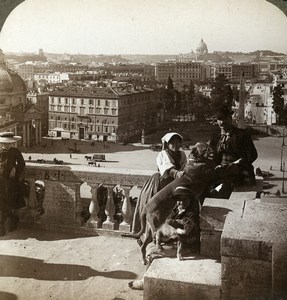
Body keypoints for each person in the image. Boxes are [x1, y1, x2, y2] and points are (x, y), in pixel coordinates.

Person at [132, 132, 187, 233]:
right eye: (173, 143)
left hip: (175, 183)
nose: (176, 145)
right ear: (167, 144)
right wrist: (176, 173)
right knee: (155, 208)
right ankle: (149, 233)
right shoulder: (163, 154)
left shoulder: (182, 154)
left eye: (178, 143)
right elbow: (167, 168)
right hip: (161, 183)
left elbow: (184, 166)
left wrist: (183, 173)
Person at [209, 105, 258, 198]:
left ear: (230, 119)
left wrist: (237, 163)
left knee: (225, 188)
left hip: (240, 171)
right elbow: (212, 156)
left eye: (224, 119)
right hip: (221, 171)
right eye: (219, 119)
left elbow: (253, 155)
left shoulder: (242, 135)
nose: (221, 122)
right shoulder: (215, 137)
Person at [0, 132, 26, 236]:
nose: (6, 146)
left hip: (10, 182)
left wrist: (15, 168)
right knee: (1, 202)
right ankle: (8, 221)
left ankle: (9, 222)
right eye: (4, 144)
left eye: (9, 144)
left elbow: (22, 163)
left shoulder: (15, 151)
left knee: (9, 201)